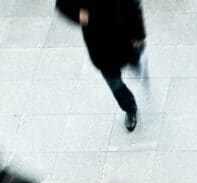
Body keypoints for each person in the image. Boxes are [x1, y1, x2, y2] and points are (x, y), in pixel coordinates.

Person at [55, 0, 147, 132]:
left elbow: (133, 4)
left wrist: (138, 35)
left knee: (133, 58)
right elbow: (63, 5)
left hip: (123, 33)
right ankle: (129, 106)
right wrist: (83, 17)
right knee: (114, 81)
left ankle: (137, 63)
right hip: (99, 43)